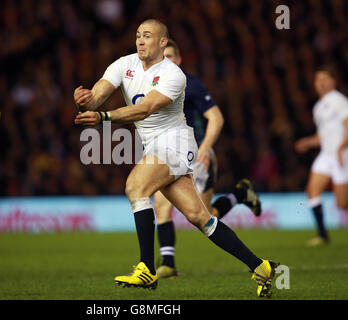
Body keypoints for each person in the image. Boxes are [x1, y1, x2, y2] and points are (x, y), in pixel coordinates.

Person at [74, 19, 278, 297]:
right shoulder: (123, 64)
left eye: (147, 36)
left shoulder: (174, 74)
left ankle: (147, 268)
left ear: (163, 42)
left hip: (176, 143)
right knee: (201, 218)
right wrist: (84, 100)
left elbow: (145, 109)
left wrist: (103, 117)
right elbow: (96, 96)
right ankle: (261, 266)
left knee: (136, 187)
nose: (141, 41)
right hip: (155, 146)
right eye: (138, 36)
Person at [154, 39, 262, 279]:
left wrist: (206, 147)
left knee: (204, 216)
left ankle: (239, 195)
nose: (167, 61)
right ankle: (168, 264)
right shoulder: (156, 86)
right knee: (161, 204)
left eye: (171, 56)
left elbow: (216, 118)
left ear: (179, 60)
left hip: (196, 154)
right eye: (163, 57)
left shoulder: (191, 84)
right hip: (168, 155)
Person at [295, 66, 348, 246]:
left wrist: (341, 148)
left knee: (342, 204)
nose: (321, 83)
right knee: (312, 190)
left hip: (342, 154)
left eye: (325, 79)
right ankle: (323, 234)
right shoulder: (318, 107)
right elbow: (323, 135)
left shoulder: (339, 101)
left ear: (334, 82)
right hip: (326, 154)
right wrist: (308, 142)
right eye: (318, 80)